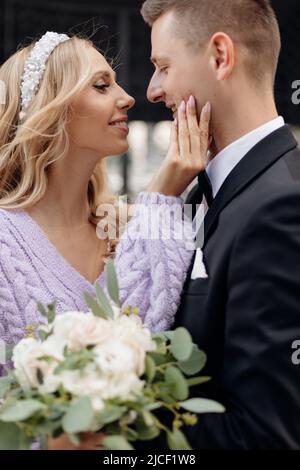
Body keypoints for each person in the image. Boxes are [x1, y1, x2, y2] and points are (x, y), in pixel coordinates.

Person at [0, 31, 210, 449]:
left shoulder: (136, 223)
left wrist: (163, 194)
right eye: (101, 85)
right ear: (51, 108)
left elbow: (152, 346)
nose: (129, 97)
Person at [141, 0, 300, 449]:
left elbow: (265, 436)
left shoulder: (283, 206)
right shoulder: (201, 192)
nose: (153, 91)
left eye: (163, 67)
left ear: (219, 56)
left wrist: (114, 437)